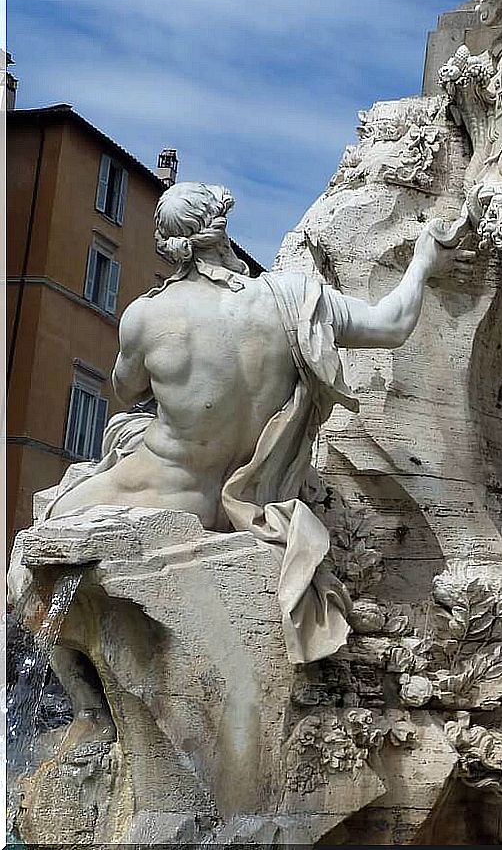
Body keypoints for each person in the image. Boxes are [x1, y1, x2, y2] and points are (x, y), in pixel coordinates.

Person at [39, 182, 462, 745]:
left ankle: (91, 720)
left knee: (44, 532)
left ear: (170, 245)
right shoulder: (294, 300)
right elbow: (392, 324)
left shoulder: (147, 315)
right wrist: (426, 259)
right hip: (246, 503)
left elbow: (124, 390)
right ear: (223, 231)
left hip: (164, 488)